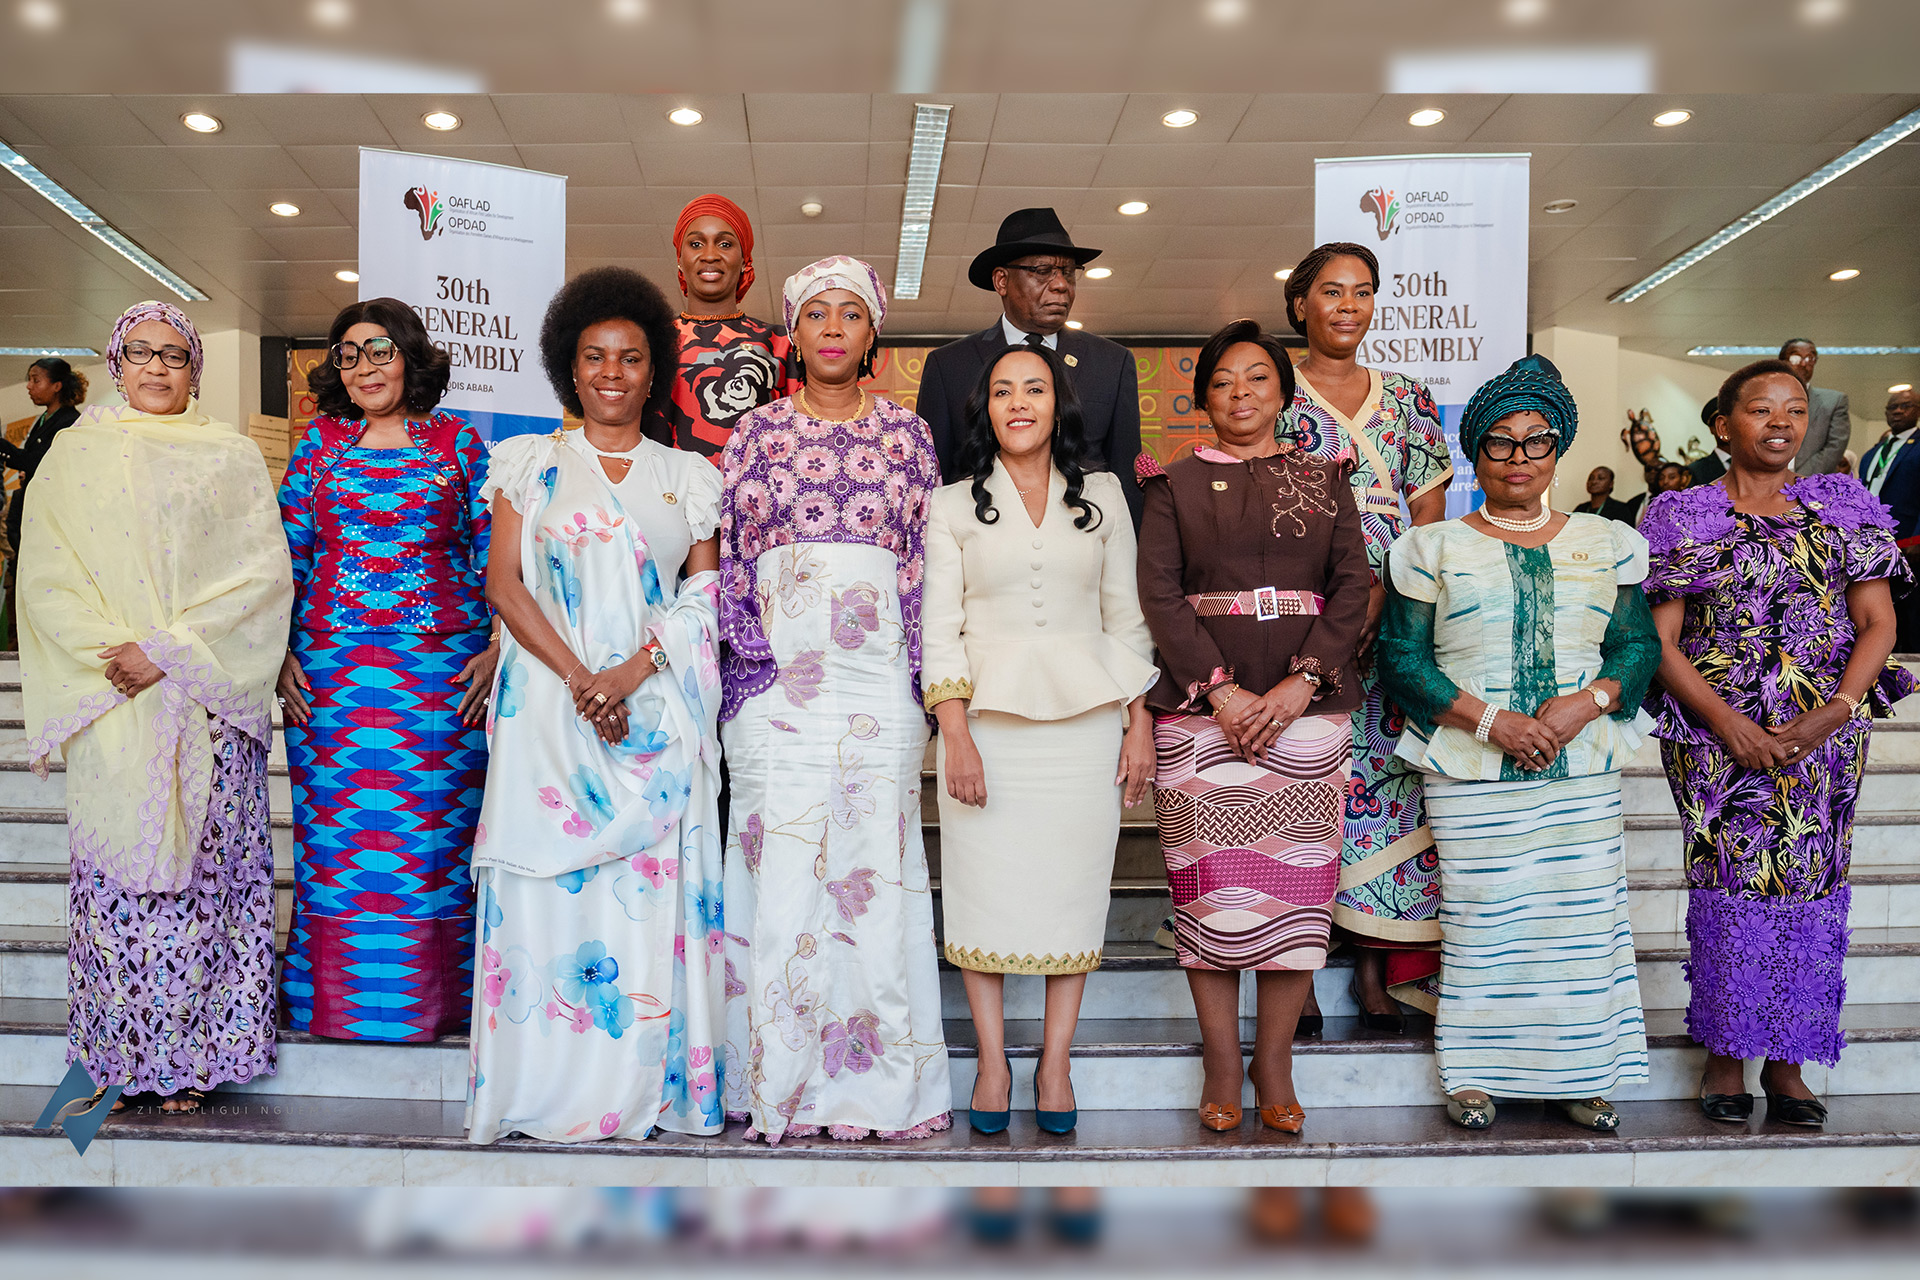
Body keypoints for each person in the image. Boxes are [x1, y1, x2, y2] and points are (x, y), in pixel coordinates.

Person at [466, 267, 727, 1143]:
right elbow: (505, 585)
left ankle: (642, 1086)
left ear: (655, 374)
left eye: (631, 358)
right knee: (551, 901)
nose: (612, 372)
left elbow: (705, 595)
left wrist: (632, 673)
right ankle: (543, 1087)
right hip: (549, 715)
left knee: (643, 908)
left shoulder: (689, 476)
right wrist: (585, 679)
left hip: (654, 717)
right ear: (568, 368)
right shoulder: (528, 463)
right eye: (594, 357)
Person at [20, 301, 292, 1114]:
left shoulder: (230, 454)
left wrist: (167, 651)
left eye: (174, 355)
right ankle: (119, 1054)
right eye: (140, 352)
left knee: (210, 889)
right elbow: (47, 577)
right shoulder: (74, 454)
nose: (156, 368)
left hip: (207, 702)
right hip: (115, 699)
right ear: (115, 362)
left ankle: (197, 1057)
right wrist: (119, 654)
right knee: (120, 894)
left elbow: (262, 576)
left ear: (194, 369)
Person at [1376, 354, 1659, 1132]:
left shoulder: (1608, 540)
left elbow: (1637, 647)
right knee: (1485, 920)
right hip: (1470, 765)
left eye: (1537, 442)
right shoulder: (1430, 547)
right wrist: (1490, 720)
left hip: (1583, 762)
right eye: (1499, 442)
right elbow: (1400, 660)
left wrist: (1586, 704)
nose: (1519, 457)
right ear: (1476, 453)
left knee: (1581, 923)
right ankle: (1475, 1075)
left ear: (1557, 449)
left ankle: (1582, 1074)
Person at [717, 256, 951, 1144]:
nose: (832, 328)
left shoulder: (908, 435)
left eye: (850, 313)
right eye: (816, 313)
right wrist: (753, 670)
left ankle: (876, 1088)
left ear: (871, 333)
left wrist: (927, 686)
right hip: (777, 682)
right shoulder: (756, 432)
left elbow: (926, 570)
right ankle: (777, 1081)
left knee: (873, 873)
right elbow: (730, 560)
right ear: (793, 332)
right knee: (780, 872)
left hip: (879, 685)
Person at [1642, 358, 1911, 1129]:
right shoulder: (1681, 513)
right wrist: (1726, 722)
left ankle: (1789, 1063)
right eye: (1761, 409)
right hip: (1713, 735)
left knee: (1808, 885)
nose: (1782, 422)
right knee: (1728, 884)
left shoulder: (1843, 506)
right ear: (1723, 425)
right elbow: (1660, 640)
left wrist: (1837, 709)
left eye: (1794, 410)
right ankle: (1727, 1056)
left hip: (1822, 734)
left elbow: (1878, 623)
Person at [1136, 319, 1370, 1134]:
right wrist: (1223, 693)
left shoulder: (1326, 478)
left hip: (1309, 715)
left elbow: (1354, 586)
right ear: (1203, 398)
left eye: (1257, 378)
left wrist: (1305, 682)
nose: (1240, 393)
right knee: (1211, 898)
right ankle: (1221, 1063)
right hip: (1201, 720)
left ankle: (1275, 1062)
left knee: (1296, 896)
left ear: (1284, 392)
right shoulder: (1169, 485)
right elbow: (1159, 595)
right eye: (1223, 381)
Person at [923, 344, 1157, 1135]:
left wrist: (1139, 721)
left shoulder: (1105, 496)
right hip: (985, 728)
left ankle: (1056, 1063)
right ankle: (992, 1064)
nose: (1018, 403)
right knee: (980, 893)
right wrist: (954, 733)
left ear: (1059, 404)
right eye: (1002, 391)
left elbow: (1126, 618)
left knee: (1073, 894)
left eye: (1034, 388)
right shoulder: (950, 505)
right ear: (984, 409)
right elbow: (939, 629)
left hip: (1086, 726)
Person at [276, 298, 494, 1041]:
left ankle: (441, 1002)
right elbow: (287, 560)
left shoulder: (459, 442)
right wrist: (277, 653)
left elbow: (494, 554)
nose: (364, 367)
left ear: (410, 356)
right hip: (330, 679)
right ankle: (334, 1002)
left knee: (435, 841)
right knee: (335, 844)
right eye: (348, 354)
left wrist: (499, 648)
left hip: (440, 678)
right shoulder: (318, 446)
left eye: (380, 351)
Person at [1281, 242, 1453, 1030]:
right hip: (1301, 617)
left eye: (1361, 291)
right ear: (1300, 305)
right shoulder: (1274, 390)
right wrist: (1331, 614)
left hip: (1394, 621)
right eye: (1331, 291)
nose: (1348, 306)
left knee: (1388, 789)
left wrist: (1390, 598)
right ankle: (1297, 973)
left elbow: (1428, 517)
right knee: (1304, 790)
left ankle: (1377, 975)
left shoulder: (1409, 398)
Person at [917, 208, 1144, 527]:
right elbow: (932, 476)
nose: (1061, 285)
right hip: (980, 536)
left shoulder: (1111, 362)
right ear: (1002, 280)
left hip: (1085, 535)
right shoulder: (949, 366)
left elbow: (1125, 476)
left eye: (1068, 272)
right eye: (1042, 271)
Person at [652, 194, 802, 459]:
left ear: (744, 260)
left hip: (756, 485)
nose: (710, 255)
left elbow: (801, 433)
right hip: (662, 484)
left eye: (725, 244)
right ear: (680, 259)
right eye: (696, 244)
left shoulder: (781, 344)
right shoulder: (650, 340)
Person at [1, 355, 87, 628]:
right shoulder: (44, 420)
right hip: (26, 518)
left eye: (35, 380)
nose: (29, 386)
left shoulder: (69, 422)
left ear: (57, 386)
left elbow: (40, 463)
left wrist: (6, 450)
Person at [1781, 339, 1852, 476]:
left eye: (1810, 358)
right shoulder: (1762, 398)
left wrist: (1797, 479)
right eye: (1796, 357)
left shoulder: (1834, 401)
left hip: (1810, 481)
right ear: (1782, 361)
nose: (1803, 364)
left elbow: (1834, 447)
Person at [1688, 398, 1728, 488]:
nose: (1725, 429)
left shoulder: (1752, 460)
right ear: (1712, 429)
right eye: (1721, 425)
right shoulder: (1696, 470)